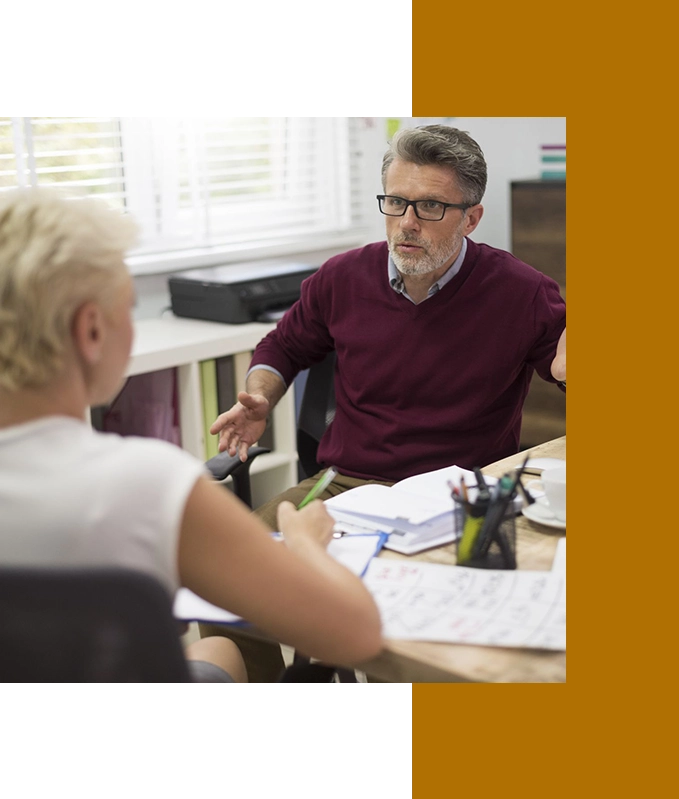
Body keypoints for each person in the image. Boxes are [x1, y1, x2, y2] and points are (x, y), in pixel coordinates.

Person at [204, 124, 567, 682]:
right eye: (395, 202)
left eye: (429, 206)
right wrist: (259, 394)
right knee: (221, 571)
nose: (407, 223)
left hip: (459, 496)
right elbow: (283, 345)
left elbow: (565, 364)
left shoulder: (522, 291)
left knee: (422, 639)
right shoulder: (341, 277)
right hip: (347, 488)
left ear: (472, 218)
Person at [0, 186, 383, 687]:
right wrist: (304, 543)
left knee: (218, 648)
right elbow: (355, 634)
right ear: (90, 330)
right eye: (129, 308)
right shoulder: (145, 485)